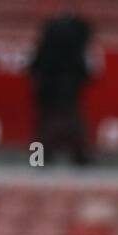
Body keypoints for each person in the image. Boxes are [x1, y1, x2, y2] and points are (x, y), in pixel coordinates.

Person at [28, 12, 93, 165]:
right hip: (69, 87)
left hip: (47, 86)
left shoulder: (48, 37)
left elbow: (35, 64)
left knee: (44, 124)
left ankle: (38, 158)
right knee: (73, 123)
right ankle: (80, 158)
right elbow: (84, 69)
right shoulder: (77, 41)